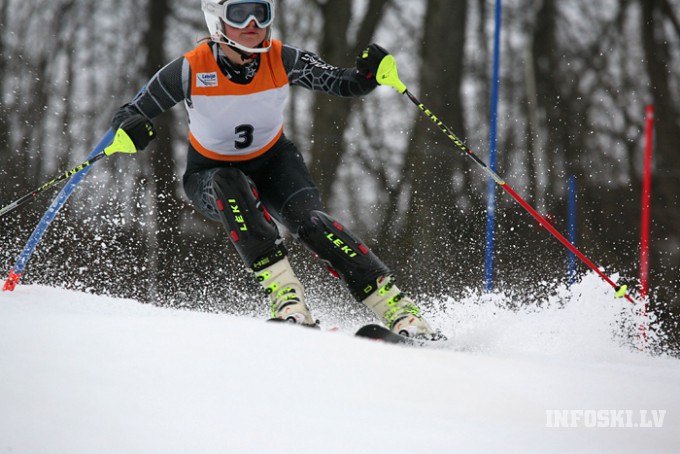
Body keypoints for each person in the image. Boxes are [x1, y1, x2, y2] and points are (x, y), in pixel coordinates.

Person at [112, 0, 442, 340]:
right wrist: (131, 127)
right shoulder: (189, 69)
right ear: (217, 21)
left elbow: (340, 82)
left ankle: (402, 312)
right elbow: (130, 112)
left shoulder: (282, 58)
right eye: (239, 14)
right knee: (230, 182)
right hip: (210, 174)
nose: (252, 23)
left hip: (274, 163)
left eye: (261, 12)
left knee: (313, 223)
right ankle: (288, 302)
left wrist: (367, 75)